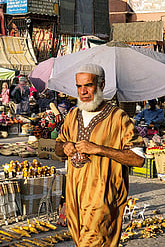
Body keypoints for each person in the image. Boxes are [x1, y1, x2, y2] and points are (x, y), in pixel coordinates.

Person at [54, 64, 144, 246]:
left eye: (88, 85)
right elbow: (57, 147)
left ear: (101, 85)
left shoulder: (118, 117)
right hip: (75, 198)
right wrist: (65, 146)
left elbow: (138, 158)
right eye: (79, 86)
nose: (83, 91)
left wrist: (99, 149)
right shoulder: (72, 115)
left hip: (103, 198)